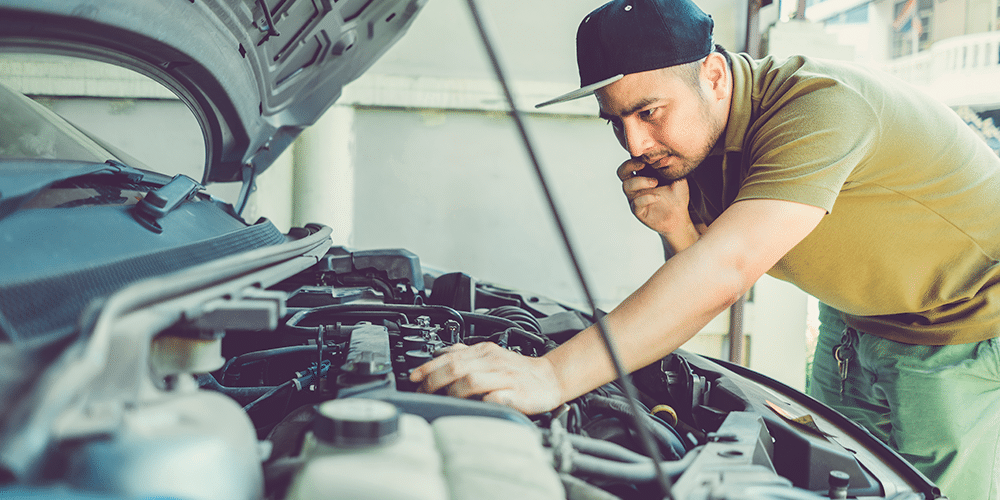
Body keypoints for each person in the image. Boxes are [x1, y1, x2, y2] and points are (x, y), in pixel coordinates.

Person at [410, 0, 1000, 498]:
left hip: (961, 333)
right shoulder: (698, 145)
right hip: (855, 326)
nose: (635, 143)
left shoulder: (820, 108)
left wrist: (552, 375)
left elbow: (727, 270)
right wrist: (675, 229)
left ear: (715, 77)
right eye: (616, 121)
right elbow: (703, 276)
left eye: (649, 111)